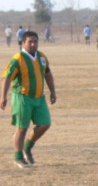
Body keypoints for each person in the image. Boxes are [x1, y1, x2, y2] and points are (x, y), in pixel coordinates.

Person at [0, 31, 57, 168]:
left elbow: (48, 75)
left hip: (39, 98)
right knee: (22, 128)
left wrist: (53, 92)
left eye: (35, 41)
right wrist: (3, 97)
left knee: (45, 124)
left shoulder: (42, 57)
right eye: (30, 42)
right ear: (23, 42)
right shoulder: (18, 58)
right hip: (22, 97)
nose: (33, 44)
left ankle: (27, 146)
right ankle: (18, 157)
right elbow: (7, 78)